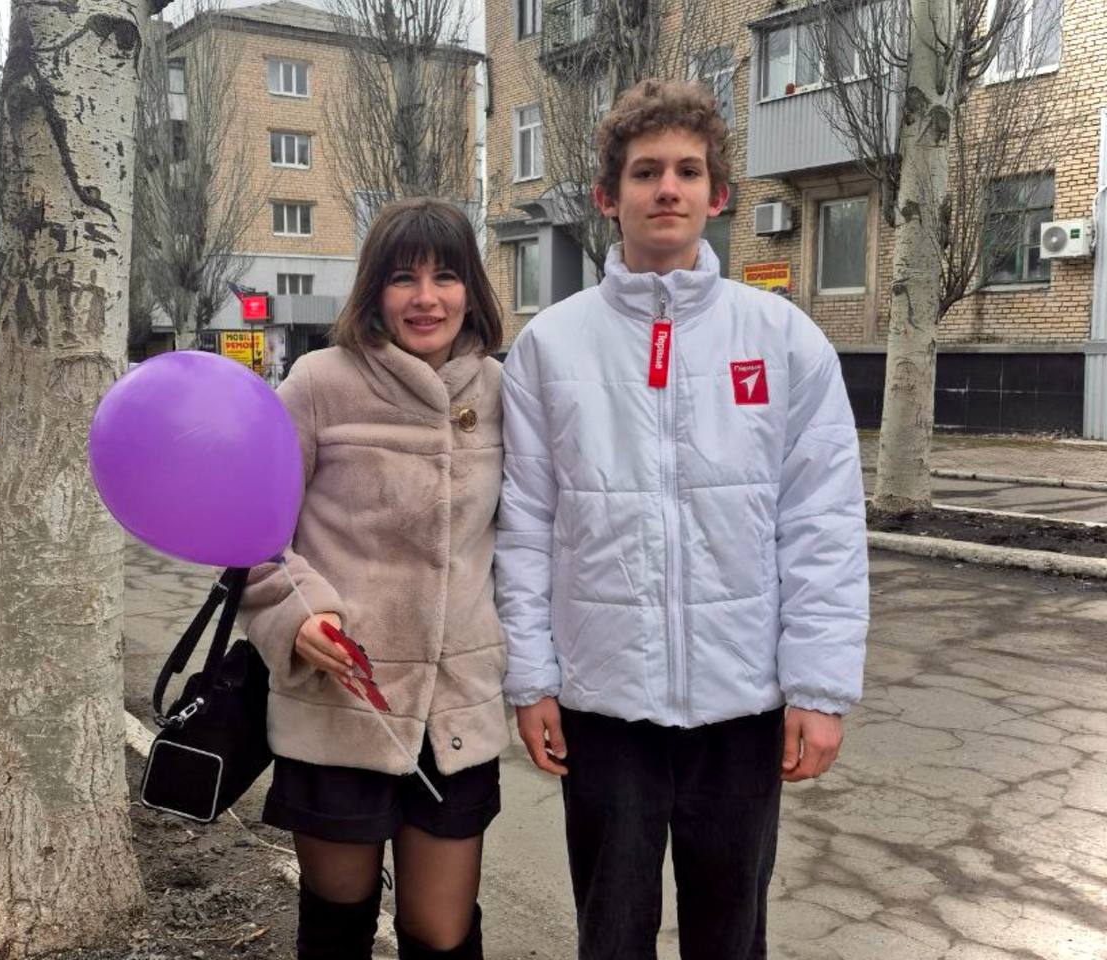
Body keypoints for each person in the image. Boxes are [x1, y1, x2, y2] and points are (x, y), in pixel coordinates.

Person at [495, 79, 869, 960]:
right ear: (607, 196)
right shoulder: (550, 347)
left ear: (718, 194)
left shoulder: (783, 339)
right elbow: (527, 525)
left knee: (730, 937)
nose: (668, 188)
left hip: (742, 706)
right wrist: (532, 679)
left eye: (688, 171)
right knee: (611, 934)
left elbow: (821, 524)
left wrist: (818, 690)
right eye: (646, 171)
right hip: (604, 706)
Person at [239, 197, 508, 960]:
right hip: (339, 705)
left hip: (455, 714)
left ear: (471, 290)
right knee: (337, 926)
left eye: (446, 276)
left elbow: (529, 534)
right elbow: (252, 532)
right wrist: (297, 614)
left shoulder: (500, 391)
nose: (426, 298)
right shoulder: (318, 382)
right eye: (403, 278)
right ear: (373, 290)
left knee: (442, 934)